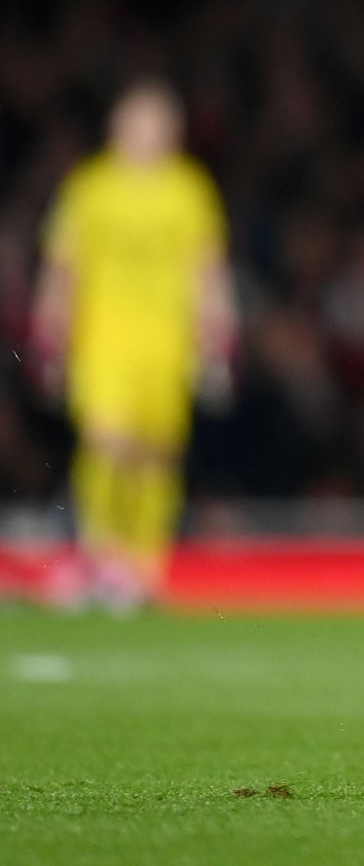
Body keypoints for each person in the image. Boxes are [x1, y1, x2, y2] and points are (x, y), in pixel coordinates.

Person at [31, 81, 236, 612]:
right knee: (105, 439)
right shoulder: (89, 188)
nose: (149, 134)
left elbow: (206, 270)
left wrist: (218, 338)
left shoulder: (189, 190)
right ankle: (99, 553)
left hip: (168, 342)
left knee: (155, 453)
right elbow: (63, 266)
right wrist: (48, 333)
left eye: (160, 124)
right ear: (116, 127)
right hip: (103, 338)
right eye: (139, 122)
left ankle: (142, 565)